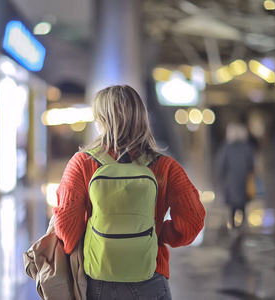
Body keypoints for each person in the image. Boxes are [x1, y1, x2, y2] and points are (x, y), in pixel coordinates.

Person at [53, 85, 206, 299]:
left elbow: (67, 231)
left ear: (101, 120)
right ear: (141, 119)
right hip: (150, 275)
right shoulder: (165, 166)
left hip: (99, 280)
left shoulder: (81, 163)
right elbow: (193, 220)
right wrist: (155, 232)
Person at [216, 122, 255, 230]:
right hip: (244, 179)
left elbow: (221, 165)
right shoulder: (247, 148)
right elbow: (251, 165)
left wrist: (220, 177)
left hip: (231, 180)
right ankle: (242, 224)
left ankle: (233, 225)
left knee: (233, 203)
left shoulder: (226, 148)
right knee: (242, 202)